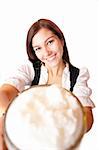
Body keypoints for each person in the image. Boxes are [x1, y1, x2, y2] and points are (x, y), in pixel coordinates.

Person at [0, 18, 95, 149]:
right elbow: (4, 93)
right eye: (38, 48)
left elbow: (87, 117)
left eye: (50, 42)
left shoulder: (78, 75)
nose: (46, 52)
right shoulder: (31, 69)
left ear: (61, 40)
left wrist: (62, 125)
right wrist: (11, 117)